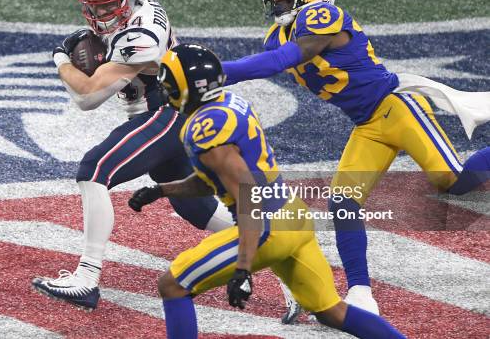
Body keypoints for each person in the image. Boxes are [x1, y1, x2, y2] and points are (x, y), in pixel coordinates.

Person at [219, 0, 490, 314]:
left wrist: (217, 70)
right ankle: (361, 291)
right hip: (367, 126)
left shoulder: (324, 15)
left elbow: (282, 60)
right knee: (343, 202)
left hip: (397, 108)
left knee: (452, 180)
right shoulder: (278, 34)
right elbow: (272, 58)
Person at [128, 43, 407, 339]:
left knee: (172, 285)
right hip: (293, 215)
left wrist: (243, 268)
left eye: (169, 79)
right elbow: (218, 178)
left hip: (266, 227)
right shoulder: (226, 104)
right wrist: (162, 191)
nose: (164, 85)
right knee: (331, 311)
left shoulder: (205, 130)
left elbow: (247, 195)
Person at [31, 0, 235, 311]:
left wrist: (60, 59)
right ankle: (276, 253)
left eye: (108, 7)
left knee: (94, 170)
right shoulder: (136, 0)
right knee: (195, 208)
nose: (98, 15)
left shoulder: (141, 34)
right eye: (93, 7)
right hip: (169, 110)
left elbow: (88, 97)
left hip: (171, 112)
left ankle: (87, 277)